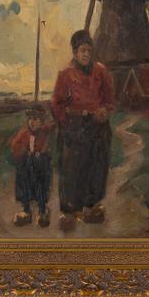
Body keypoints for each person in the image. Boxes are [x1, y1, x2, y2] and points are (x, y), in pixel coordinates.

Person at [52, 29, 114, 231]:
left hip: (98, 127)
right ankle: (69, 212)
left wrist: (105, 111)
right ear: (75, 52)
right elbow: (57, 104)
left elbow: (109, 100)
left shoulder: (101, 71)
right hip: (74, 128)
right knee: (72, 169)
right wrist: (71, 120)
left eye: (89, 50)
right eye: (82, 50)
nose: (86, 54)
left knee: (97, 166)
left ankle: (91, 207)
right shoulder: (65, 74)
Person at [10, 105, 52, 228]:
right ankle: (26, 210)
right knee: (25, 184)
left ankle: (42, 211)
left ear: (41, 122)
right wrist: (24, 151)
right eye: (30, 119)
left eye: (35, 119)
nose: (32, 122)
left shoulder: (44, 131)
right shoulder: (24, 133)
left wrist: (42, 151)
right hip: (27, 164)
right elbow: (15, 145)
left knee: (42, 186)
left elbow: (48, 141)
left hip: (41, 164)